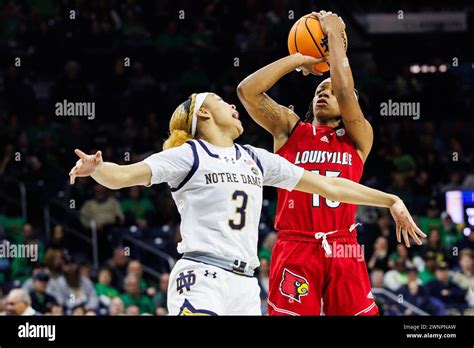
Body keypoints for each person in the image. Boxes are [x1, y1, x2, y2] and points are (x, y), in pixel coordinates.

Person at [68, 92, 424, 315]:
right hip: (201, 276)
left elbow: (331, 186)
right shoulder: (187, 155)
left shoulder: (255, 158)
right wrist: (97, 169)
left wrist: (390, 200)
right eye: (222, 103)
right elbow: (124, 175)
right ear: (204, 115)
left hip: (245, 284)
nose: (233, 106)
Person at [237, 11, 388, 315]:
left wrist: (333, 37)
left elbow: (346, 90)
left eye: (331, 93)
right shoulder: (290, 130)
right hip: (296, 245)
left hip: (344, 244)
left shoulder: (359, 136)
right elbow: (247, 91)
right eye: (320, 90)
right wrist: (299, 59)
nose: (324, 94)